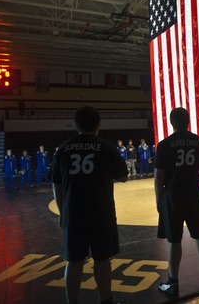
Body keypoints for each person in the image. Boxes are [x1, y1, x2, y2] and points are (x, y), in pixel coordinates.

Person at [52, 106, 129, 304]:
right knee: (102, 260)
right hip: (100, 213)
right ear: (98, 125)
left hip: (73, 214)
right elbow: (122, 176)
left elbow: (57, 185)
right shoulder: (106, 147)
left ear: (76, 125)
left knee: (74, 261)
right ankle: (106, 301)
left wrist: (63, 212)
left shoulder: (63, 149)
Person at [155, 107, 199, 297]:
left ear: (171, 123)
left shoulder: (164, 144)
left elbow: (159, 177)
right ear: (188, 121)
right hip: (193, 192)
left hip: (172, 194)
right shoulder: (198, 141)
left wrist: (159, 201)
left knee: (174, 240)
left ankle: (173, 282)